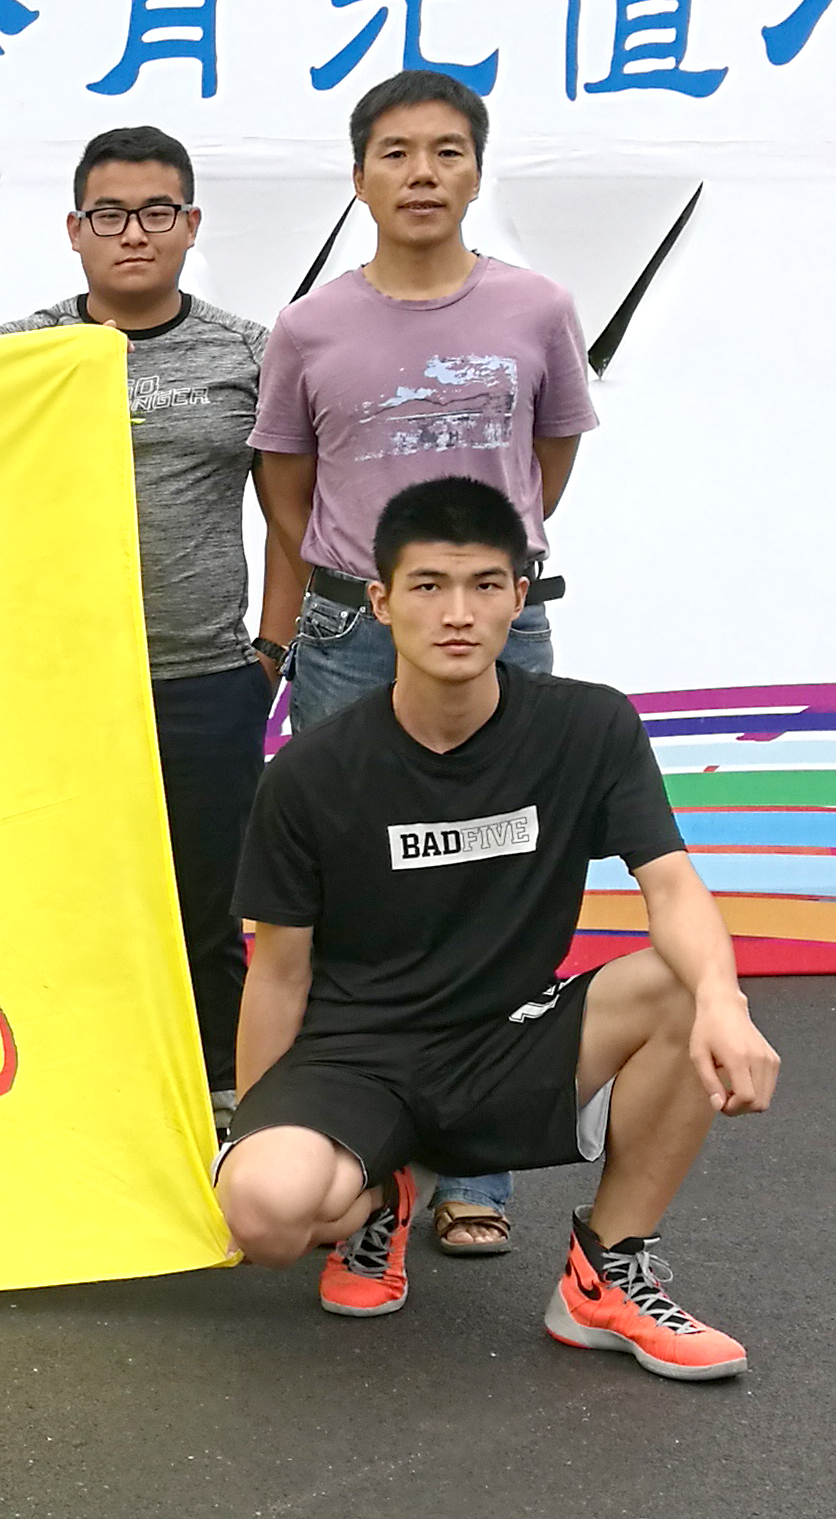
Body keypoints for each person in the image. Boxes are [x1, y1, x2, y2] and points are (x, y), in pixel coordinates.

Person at [216, 478, 778, 1380]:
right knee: (267, 1213)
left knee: (682, 983)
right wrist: (259, 1124)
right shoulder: (310, 774)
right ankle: (379, 1195)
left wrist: (725, 1001)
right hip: (358, 1058)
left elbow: (671, 885)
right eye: (428, 585)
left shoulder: (588, 726)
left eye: (483, 585)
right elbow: (279, 972)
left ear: (519, 597)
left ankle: (605, 1274)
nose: (457, 613)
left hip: (509, 1044)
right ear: (381, 601)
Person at [252, 68, 597, 1258]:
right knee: (358, 900)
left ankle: (477, 1171)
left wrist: (470, 585)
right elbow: (287, 489)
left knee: (501, 891)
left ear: (477, 172)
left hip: (500, 631)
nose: (422, 174)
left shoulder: (536, 308)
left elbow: (547, 462)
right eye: (396, 153)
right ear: (359, 177)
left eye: (447, 152)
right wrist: (358, 597)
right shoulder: (309, 327)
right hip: (352, 636)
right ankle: (371, 1159)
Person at [0, 125, 279, 1123]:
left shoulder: (248, 351)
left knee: (207, 911)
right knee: (67, 902)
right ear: (74, 229)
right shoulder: (20, 354)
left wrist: (270, 654)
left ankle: (225, 1103)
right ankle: (77, 1105)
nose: (134, 233)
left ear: (191, 224)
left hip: (207, 679)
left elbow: (291, 516)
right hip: (65, 685)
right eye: (109, 214)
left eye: (157, 212)